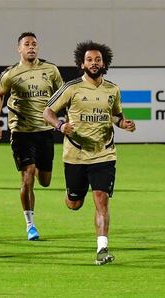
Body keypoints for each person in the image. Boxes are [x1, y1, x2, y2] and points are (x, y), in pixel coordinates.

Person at [43, 41, 135, 265]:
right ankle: (72, 194)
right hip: (75, 155)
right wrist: (60, 126)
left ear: (105, 63)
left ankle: (102, 248)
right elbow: (48, 111)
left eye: (98, 60)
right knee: (74, 203)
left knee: (101, 200)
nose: (94, 63)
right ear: (81, 64)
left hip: (104, 154)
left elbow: (115, 116)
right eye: (90, 60)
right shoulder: (71, 88)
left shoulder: (112, 89)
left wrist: (124, 124)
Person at [0, 32, 63, 241]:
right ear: (19, 49)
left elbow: (64, 94)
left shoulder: (50, 70)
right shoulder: (11, 74)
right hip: (21, 132)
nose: (31, 47)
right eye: (27, 44)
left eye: (34, 44)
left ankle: (40, 168)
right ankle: (30, 224)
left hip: (45, 132)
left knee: (45, 180)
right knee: (27, 175)